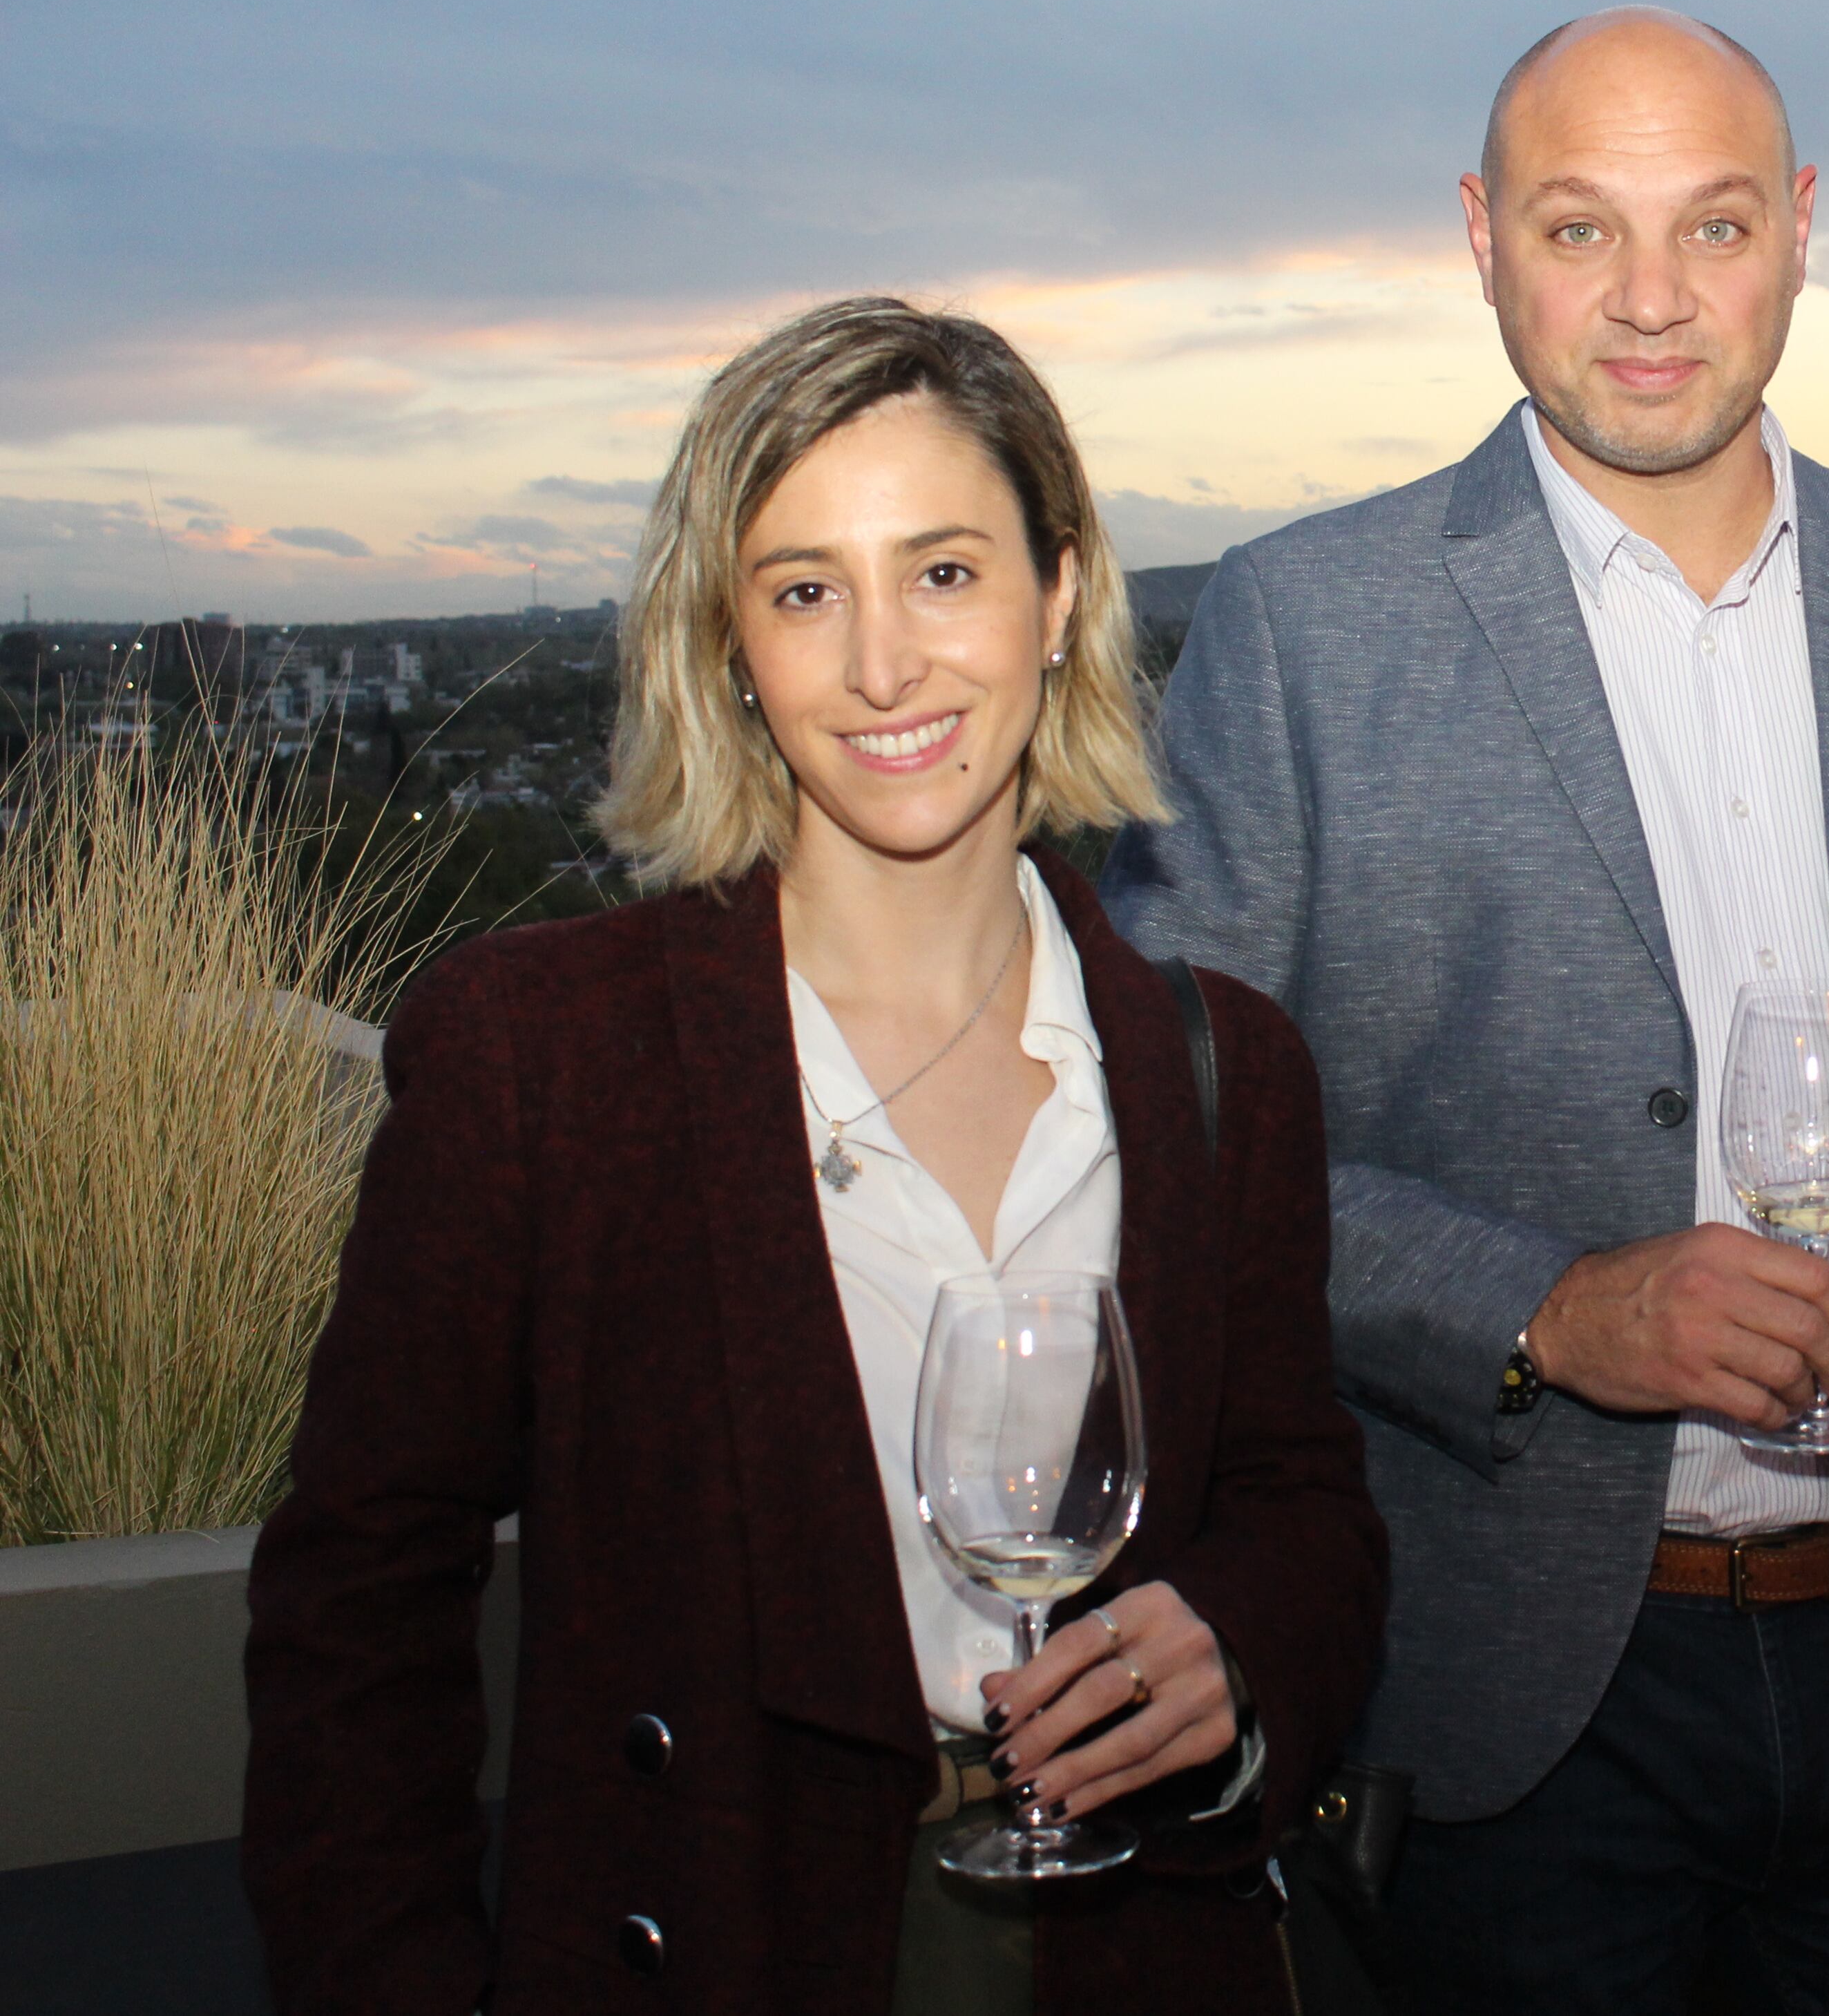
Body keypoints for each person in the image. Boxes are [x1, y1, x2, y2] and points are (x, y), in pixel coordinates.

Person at [1105, 8, 1829, 2013]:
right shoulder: (1299, 631)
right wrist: (1547, 1310)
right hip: (1519, 1722)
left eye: (1709, 225)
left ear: (1798, 230)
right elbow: (1187, 1138)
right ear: (1480, 236)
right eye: (1580, 227)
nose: (1651, 302)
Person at [243, 297, 1387, 2015]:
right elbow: (357, 1611)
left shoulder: (1228, 1072)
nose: (881, 666)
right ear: (727, 646)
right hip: (724, 1936)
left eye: (942, 573)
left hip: (1147, 1945)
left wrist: (1234, 1636)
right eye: (803, 591)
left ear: (1059, 592)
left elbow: (1305, 1501)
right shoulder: (543, 1059)